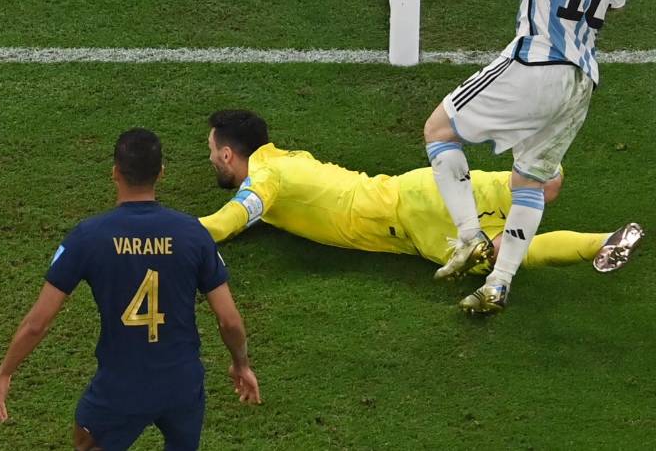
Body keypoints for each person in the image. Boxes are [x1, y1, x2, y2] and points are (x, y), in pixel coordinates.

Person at [422, 0, 631, 314]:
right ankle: (498, 283)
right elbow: (614, 4)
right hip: (582, 80)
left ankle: (471, 237)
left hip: (537, 59)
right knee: (530, 181)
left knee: (439, 129)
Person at [0, 128, 261, 451]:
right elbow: (229, 320)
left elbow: (38, 323)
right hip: (181, 384)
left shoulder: (88, 237)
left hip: (120, 387)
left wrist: (5, 373)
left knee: (86, 439)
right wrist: (240, 364)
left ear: (115, 172)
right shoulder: (194, 234)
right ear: (161, 173)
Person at [198, 109, 642, 276]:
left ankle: (593, 246)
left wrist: (177, 233)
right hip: (418, 187)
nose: (211, 159)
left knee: (504, 256)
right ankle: (606, 239)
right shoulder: (288, 158)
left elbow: (230, 219)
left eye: (213, 152)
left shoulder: (265, 179)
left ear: (229, 156)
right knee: (537, 188)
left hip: (408, 222)